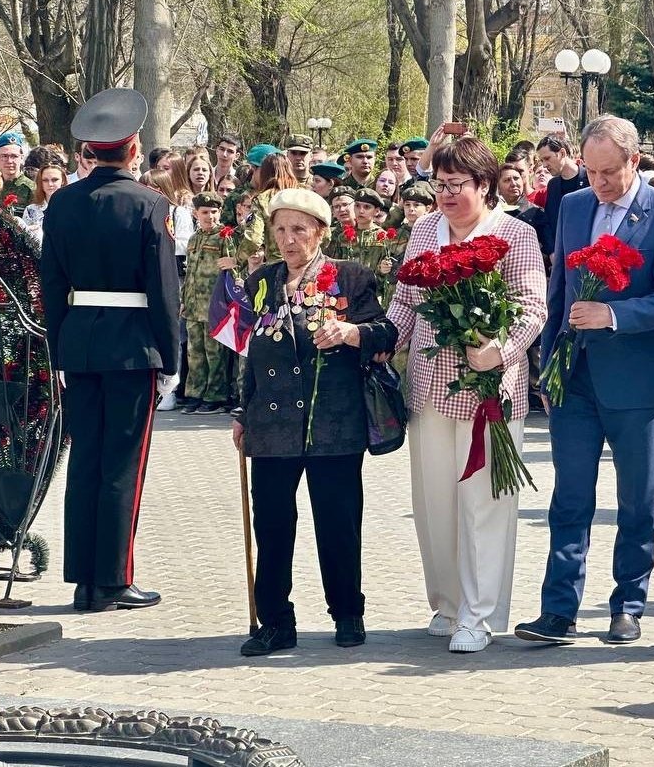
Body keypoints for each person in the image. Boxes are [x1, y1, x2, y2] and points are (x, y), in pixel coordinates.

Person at [513, 115, 654, 647]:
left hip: (635, 379)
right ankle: (558, 609)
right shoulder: (573, 205)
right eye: (590, 171)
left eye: (609, 172)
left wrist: (613, 316)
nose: (599, 183)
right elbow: (561, 286)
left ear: (634, 161)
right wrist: (552, 361)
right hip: (575, 377)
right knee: (569, 497)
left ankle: (628, 604)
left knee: (636, 499)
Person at [386, 136, 546, 653]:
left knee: (484, 504)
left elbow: (531, 306)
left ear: (485, 185)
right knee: (434, 504)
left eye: (457, 185)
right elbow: (407, 301)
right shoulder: (426, 229)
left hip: (489, 390)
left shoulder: (514, 235)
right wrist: (378, 345)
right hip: (431, 388)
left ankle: (479, 614)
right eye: (439, 185)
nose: (446, 195)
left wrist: (498, 349)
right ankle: (449, 603)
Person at [231, 188, 397, 656]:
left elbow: (387, 331)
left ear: (321, 232)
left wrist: (350, 333)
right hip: (273, 425)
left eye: (298, 229)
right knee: (273, 525)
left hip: (332, 423)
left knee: (338, 522)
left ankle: (348, 613)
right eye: (280, 229)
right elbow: (251, 352)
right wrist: (244, 412)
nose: (288, 239)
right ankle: (275, 622)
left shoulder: (350, 277)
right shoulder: (261, 280)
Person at [39, 88, 181, 613]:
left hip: (79, 343)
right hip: (132, 348)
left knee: (87, 461)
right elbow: (164, 291)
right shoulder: (150, 205)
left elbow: (51, 286)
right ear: (133, 147)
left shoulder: (62, 202)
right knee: (123, 464)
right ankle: (114, 579)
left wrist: (60, 349)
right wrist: (170, 356)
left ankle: (83, 580)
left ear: (90, 151)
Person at [180, 192, 237, 416]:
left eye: (214, 212)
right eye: (205, 212)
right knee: (195, 353)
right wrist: (184, 299)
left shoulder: (225, 236)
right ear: (196, 213)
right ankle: (195, 393)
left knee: (215, 353)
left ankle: (215, 396)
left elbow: (232, 272)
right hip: (194, 305)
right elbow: (190, 271)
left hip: (214, 304)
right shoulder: (194, 238)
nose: (209, 216)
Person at [536, 135, 589, 259]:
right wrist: (552, 252)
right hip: (559, 257)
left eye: (547, 158)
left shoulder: (590, 179)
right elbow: (549, 221)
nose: (544, 165)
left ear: (562, 153)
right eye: (542, 161)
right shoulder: (553, 185)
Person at [21, 162, 66, 242]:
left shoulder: (72, 208)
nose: (50, 184)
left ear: (62, 181)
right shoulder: (31, 210)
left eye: (55, 180)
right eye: (45, 180)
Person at [0, 131, 34, 213]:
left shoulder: (32, 188)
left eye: (14, 156)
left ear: (21, 158)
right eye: (4, 156)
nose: (9, 161)